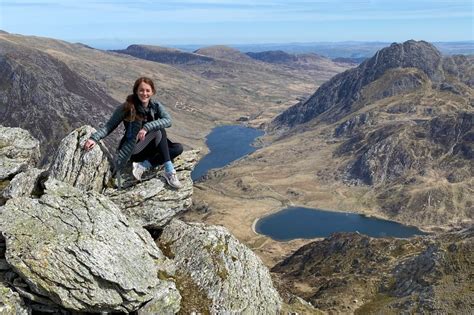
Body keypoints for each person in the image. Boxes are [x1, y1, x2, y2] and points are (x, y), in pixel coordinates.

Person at [84, 77, 183, 189]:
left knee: (178, 148)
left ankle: (144, 165)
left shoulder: (155, 106)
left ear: (152, 92)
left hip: (150, 147)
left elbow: (168, 121)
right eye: (141, 90)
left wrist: (146, 127)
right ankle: (169, 171)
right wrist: (94, 138)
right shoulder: (127, 108)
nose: (144, 93)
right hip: (135, 149)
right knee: (159, 130)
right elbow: (109, 126)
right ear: (136, 91)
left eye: (147, 90)